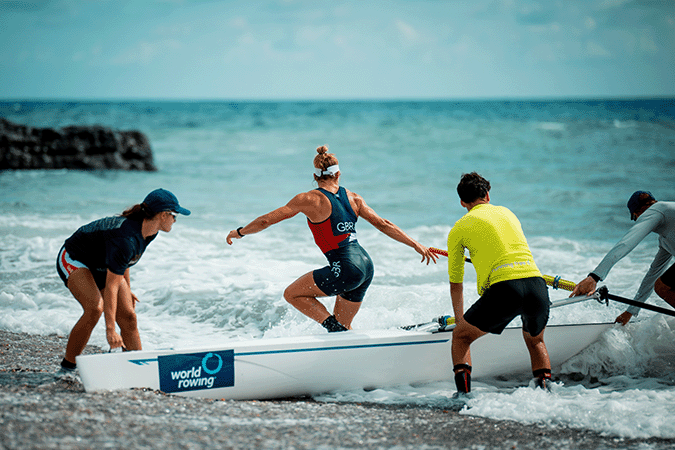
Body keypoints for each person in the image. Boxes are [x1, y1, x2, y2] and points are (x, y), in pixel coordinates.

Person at [226, 145, 437, 332]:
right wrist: (416, 245)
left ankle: (334, 328)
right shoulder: (355, 198)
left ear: (315, 176)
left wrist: (240, 232)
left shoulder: (308, 199)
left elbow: (266, 221)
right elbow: (384, 224)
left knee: (292, 294)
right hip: (366, 266)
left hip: (345, 269)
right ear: (338, 174)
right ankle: (346, 342)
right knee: (344, 329)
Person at [55, 188, 190, 377]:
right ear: (162, 215)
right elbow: (112, 283)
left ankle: (138, 371)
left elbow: (125, 259)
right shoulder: (126, 237)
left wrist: (127, 289)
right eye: (174, 215)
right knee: (95, 307)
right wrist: (110, 330)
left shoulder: (149, 231)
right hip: (75, 258)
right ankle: (66, 368)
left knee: (129, 316)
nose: (175, 220)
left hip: (104, 264)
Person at [447, 172, 552, 396]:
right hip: (536, 285)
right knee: (536, 340)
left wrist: (459, 321)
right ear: (487, 195)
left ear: (462, 202)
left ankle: (462, 398)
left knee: (461, 337)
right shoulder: (508, 213)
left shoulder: (458, 228)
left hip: (505, 290)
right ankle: (546, 395)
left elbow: (456, 283)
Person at [571, 191, 675, 325]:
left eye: (635, 217)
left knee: (662, 287)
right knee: (662, 285)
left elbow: (626, 243)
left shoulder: (657, 210)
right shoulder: (667, 238)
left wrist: (594, 277)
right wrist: (630, 311)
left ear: (639, 212)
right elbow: (652, 275)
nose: (638, 220)